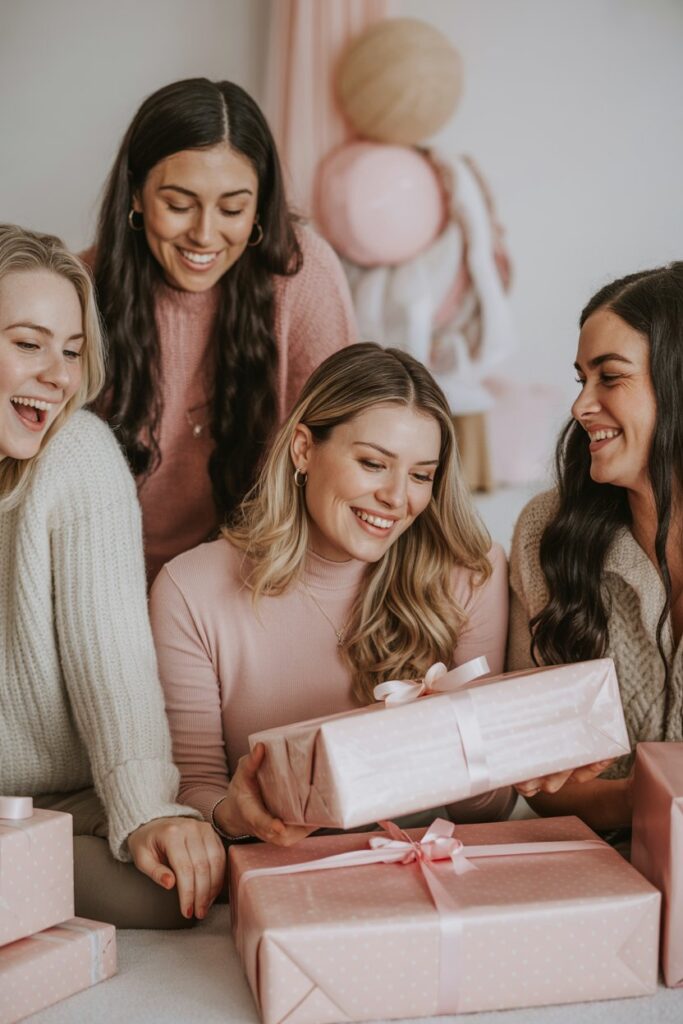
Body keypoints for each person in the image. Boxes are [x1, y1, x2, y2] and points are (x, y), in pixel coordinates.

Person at [149, 343, 514, 845]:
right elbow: (194, 791)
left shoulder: (471, 573)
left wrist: (463, 732)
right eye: (372, 463)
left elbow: (488, 811)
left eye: (421, 475)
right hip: (278, 876)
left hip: (428, 875)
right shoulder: (191, 591)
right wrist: (234, 814)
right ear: (303, 449)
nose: (397, 497)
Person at [0, 224, 225, 928]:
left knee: (167, 892)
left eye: (71, 351)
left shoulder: (79, 458)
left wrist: (148, 810)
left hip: (62, 798)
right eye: (28, 343)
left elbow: (114, 662)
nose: (59, 375)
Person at [90, 77, 357, 582]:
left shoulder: (303, 274)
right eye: (179, 204)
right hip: (105, 572)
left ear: (259, 205)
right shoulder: (81, 286)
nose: (205, 234)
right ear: (137, 194)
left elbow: (338, 446)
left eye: (233, 208)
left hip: (248, 569)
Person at [508, 262, 683, 833]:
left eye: (610, 377)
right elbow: (544, 786)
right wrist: (649, 797)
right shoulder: (547, 532)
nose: (582, 406)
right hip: (614, 885)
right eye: (581, 379)